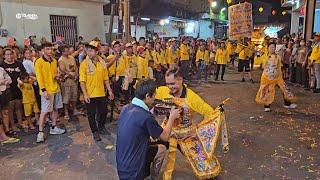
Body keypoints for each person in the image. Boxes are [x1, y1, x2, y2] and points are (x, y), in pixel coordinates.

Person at [155, 67, 227, 179]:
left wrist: (197, 131)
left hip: (186, 134)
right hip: (167, 131)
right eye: (168, 84)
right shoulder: (162, 91)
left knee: (205, 166)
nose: (170, 87)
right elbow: (147, 94)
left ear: (181, 80)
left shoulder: (192, 97)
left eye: (172, 83)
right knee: (148, 149)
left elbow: (210, 113)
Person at [116, 79, 181, 180]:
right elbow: (164, 136)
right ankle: (153, 178)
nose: (155, 98)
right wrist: (172, 117)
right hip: (133, 173)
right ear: (147, 96)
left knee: (153, 141)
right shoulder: (146, 117)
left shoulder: (125, 108)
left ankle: (146, 172)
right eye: (154, 95)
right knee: (162, 148)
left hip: (122, 165)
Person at [79, 41, 114, 141]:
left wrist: (110, 91)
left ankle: (101, 127)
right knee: (91, 114)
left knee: (103, 111)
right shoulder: (84, 64)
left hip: (101, 93)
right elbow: (82, 81)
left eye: (91, 51)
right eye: (88, 51)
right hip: (90, 94)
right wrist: (85, 94)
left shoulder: (101, 63)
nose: (89, 53)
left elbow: (105, 79)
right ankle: (95, 132)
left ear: (96, 51)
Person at [34, 42, 66, 143]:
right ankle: (40, 132)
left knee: (55, 109)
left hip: (56, 88)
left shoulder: (54, 61)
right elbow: (39, 77)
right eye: (48, 49)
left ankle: (53, 127)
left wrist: (58, 77)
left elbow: (54, 75)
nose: (50, 51)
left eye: (51, 49)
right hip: (46, 91)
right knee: (44, 111)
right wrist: (43, 90)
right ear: (43, 50)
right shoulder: (38, 62)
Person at [256, 42, 297, 112]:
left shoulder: (277, 56)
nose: (272, 49)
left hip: (278, 78)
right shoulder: (264, 55)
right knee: (267, 91)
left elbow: (279, 65)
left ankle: (287, 104)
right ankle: (267, 106)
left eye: (273, 47)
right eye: (271, 47)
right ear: (268, 48)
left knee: (284, 89)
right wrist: (258, 55)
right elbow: (257, 62)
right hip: (267, 78)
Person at [1, 48, 26, 133]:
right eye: (7, 54)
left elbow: (24, 74)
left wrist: (21, 79)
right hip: (8, 89)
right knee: (10, 108)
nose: (9, 56)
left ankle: (20, 123)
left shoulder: (18, 63)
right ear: (4, 56)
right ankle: (12, 125)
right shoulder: (2, 65)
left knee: (19, 106)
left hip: (18, 87)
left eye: (11, 54)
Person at [58, 45, 79, 120]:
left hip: (73, 80)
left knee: (74, 95)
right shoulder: (61, 60)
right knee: (66, 97)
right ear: (62, 52)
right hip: (66, 81)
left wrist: (76, 75)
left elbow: (75, 67)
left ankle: (74, 109)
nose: (68, 52)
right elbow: (63, 70)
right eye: (66, 51)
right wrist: (71, 74)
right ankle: (66, 112)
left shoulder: (72, 57)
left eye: (68, 50)